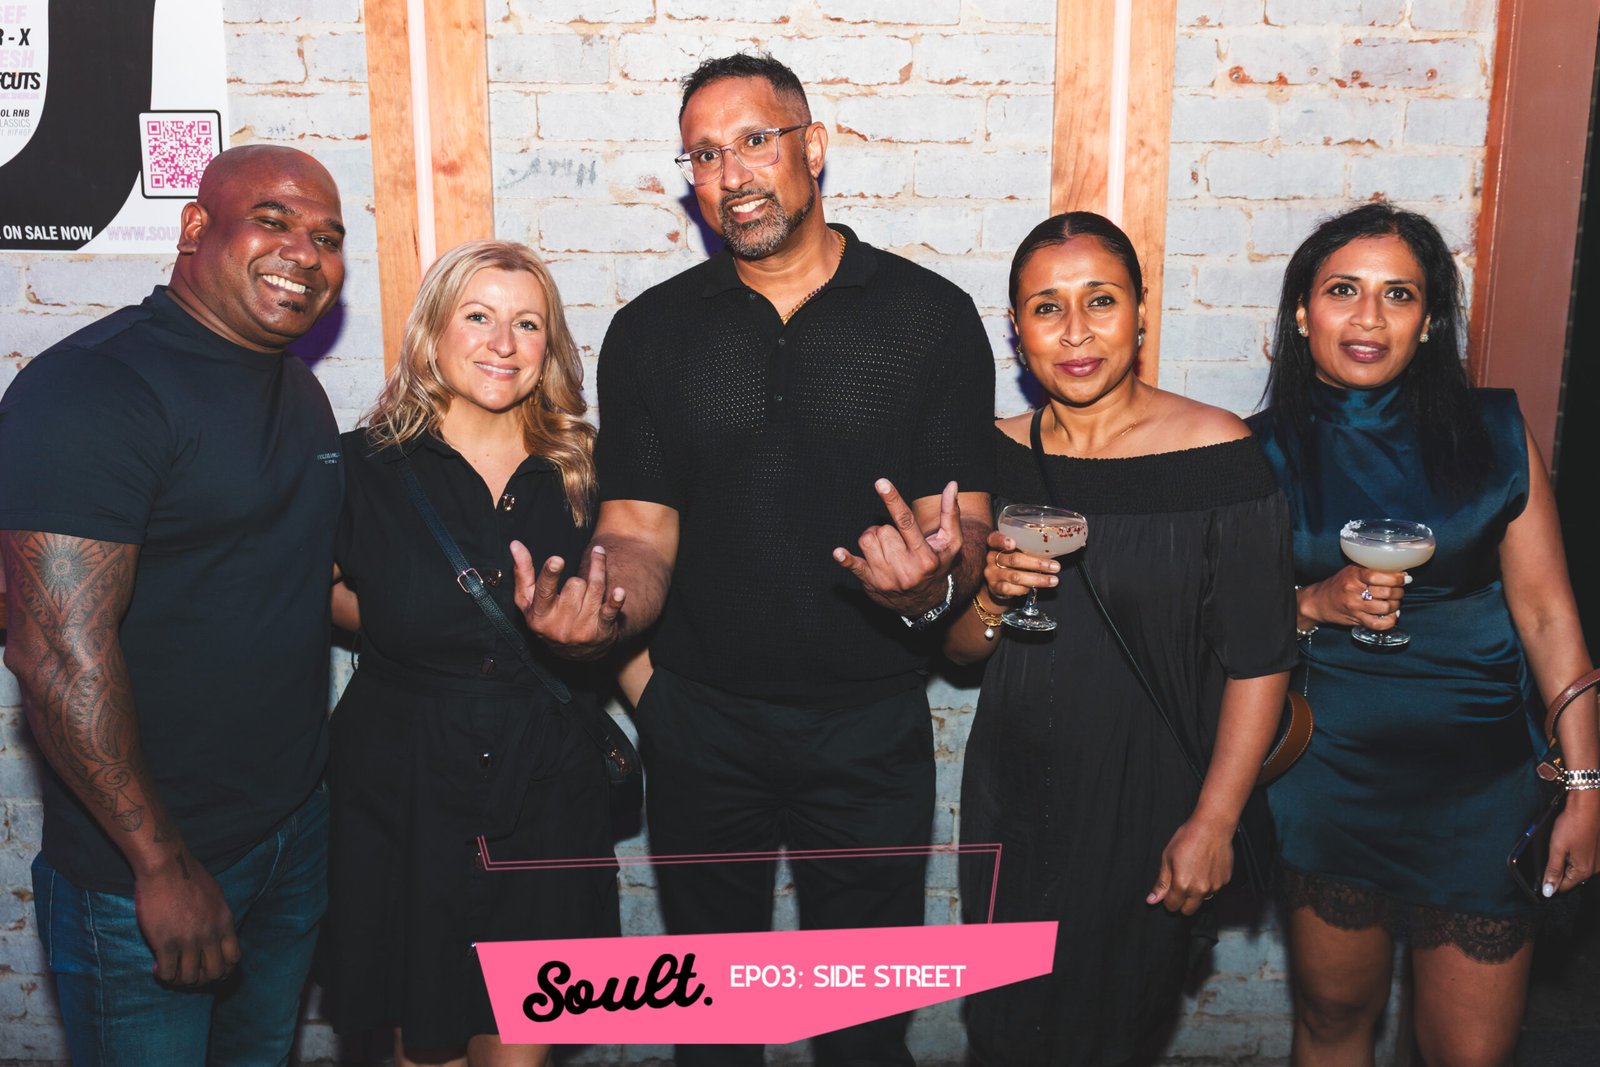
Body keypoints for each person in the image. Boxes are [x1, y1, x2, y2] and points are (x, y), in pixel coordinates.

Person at [518, 53, 995, 1065]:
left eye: (753, 140)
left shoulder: (929, 317)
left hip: (869, 728)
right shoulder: (652, 332)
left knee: (863, 1031)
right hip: (701, 725)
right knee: (712, 1026)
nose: (730, 173)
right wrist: (602, 607)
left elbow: (964, 532)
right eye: (703, 154)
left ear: (813, 147)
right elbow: (638, 532)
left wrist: (933, 582)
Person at [0, 144, 346, 1065]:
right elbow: (55, 655)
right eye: (273, 220)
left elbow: (294, 581)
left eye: (327, 237)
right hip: (151, 868)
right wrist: (159, 865)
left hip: (291, 833)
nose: (305, 252)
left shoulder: (298, 389)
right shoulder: (93, 389)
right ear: (196, 228)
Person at [1247, 202, 1599, 1067]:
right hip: (1329, 776)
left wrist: (1588, 787)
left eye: (1398, 294)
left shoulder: (1494, 433)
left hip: (1481, 779)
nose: (1369, 317)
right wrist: (1310, 601)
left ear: (1430, 319)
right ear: (1303, 312)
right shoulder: (1256, 452)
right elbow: (1219, 629)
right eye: (1343, 290)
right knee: (1333, 1018)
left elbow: (1550, 617)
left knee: (1470, 1052)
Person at [947, 212, 1297, 1066]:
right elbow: (958, 653)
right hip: (1012, 793)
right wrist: (989, 594)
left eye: (1100, 300)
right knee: (1003, 1032)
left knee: (1107, 1032)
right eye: (1047, 307)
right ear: (1017, 329)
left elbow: (1261, 658)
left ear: (1141, 312)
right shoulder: (990, 455)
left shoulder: (1217, 450)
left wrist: (1214, 820)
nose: (1075, 331)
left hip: (1149, 797)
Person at [320, 240, 620, 1067]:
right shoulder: (362, 467)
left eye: (527, 323)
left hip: (546, 790)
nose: (502, 342)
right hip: (404, 789)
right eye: (478, 316)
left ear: (549, 346)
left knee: (522, 1042)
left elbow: (624, 612)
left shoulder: (587, 473)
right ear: (433, 333)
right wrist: (404, 621)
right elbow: (313, 593)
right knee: (427, 1045)